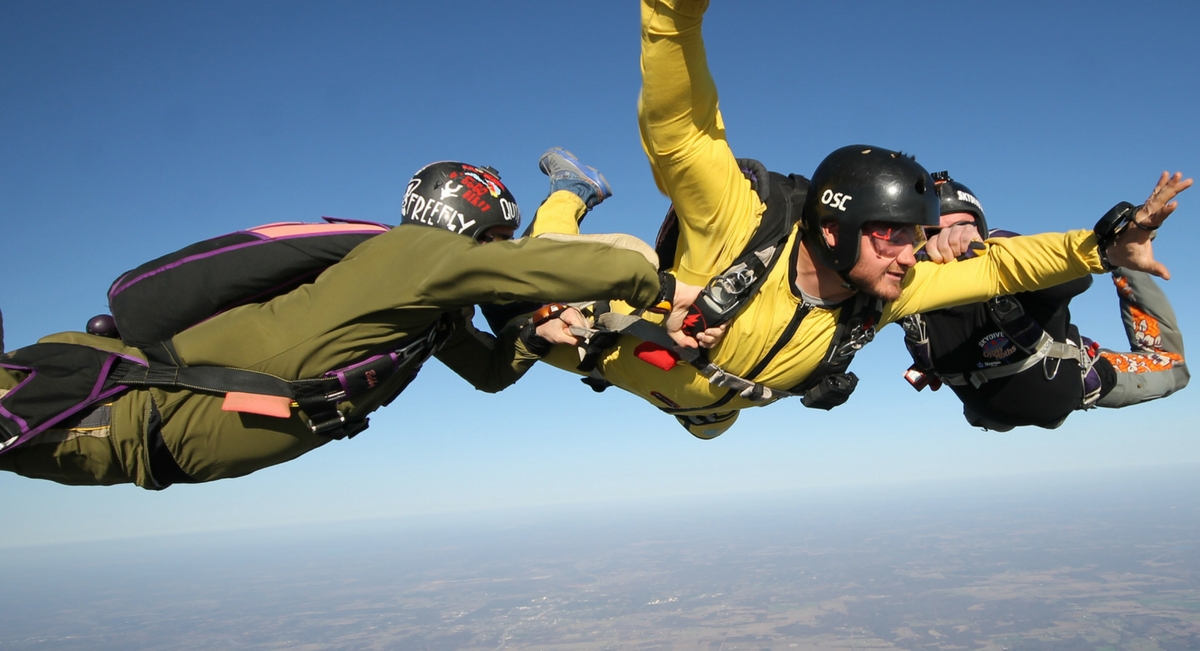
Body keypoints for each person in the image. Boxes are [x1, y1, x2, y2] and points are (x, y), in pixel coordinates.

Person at [531, 0, 1190, 440]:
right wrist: (674, 13)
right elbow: (681, 131)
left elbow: (1003, 265)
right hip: (641, 359)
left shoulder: (892, 293)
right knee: (544, 296)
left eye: (918, 235)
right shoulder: (741, 224)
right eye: (894, 234)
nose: (911, 254)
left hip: (710, 409)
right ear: (832, 227)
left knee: (1170, 372)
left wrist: (1104, 248)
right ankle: (570, 194)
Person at [0, 159, 664, 489]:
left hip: (148, 437)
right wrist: (660, 283)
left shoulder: (427, 312)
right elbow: (535, 269)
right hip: (119, 411)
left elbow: (487, 374)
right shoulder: (411, 256)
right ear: (464, 224)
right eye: (496, 235)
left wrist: (527, 339)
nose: (498, 249)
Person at [900, 173, 1189, 430]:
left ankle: (1127, 263)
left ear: (982, 230)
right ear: (916, 241)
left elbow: (1074, 277)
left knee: (1171, 367)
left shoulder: (1010, 266)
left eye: (963, 225)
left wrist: (1118, 247)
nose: (951, 237)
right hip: (993, 407)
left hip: (1065, 380)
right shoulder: (903, 289)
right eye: (935, 232)